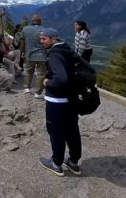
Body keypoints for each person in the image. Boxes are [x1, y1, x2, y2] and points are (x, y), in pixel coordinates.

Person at [38, 28, 82, 177]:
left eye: (44, 38)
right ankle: (73, 162)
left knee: (56, 133)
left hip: (56, 101)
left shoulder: (55, 55)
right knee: (72, 131)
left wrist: (47, 82)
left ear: (53, 39)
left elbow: (61, 78)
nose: (41, 41)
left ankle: (56, 163)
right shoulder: (67, 50)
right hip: (71, 100)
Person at [23, 14, 47, 99]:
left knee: (29, 71)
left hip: (29, 54)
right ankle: (38, 92)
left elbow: (22, 41)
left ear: (32, 21)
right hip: (41, 55)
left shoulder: (25, 29)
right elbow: (46, 43)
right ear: (40, 21)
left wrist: (23, 51)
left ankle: (27, 88)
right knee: (41, 74)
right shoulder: (43, 30)